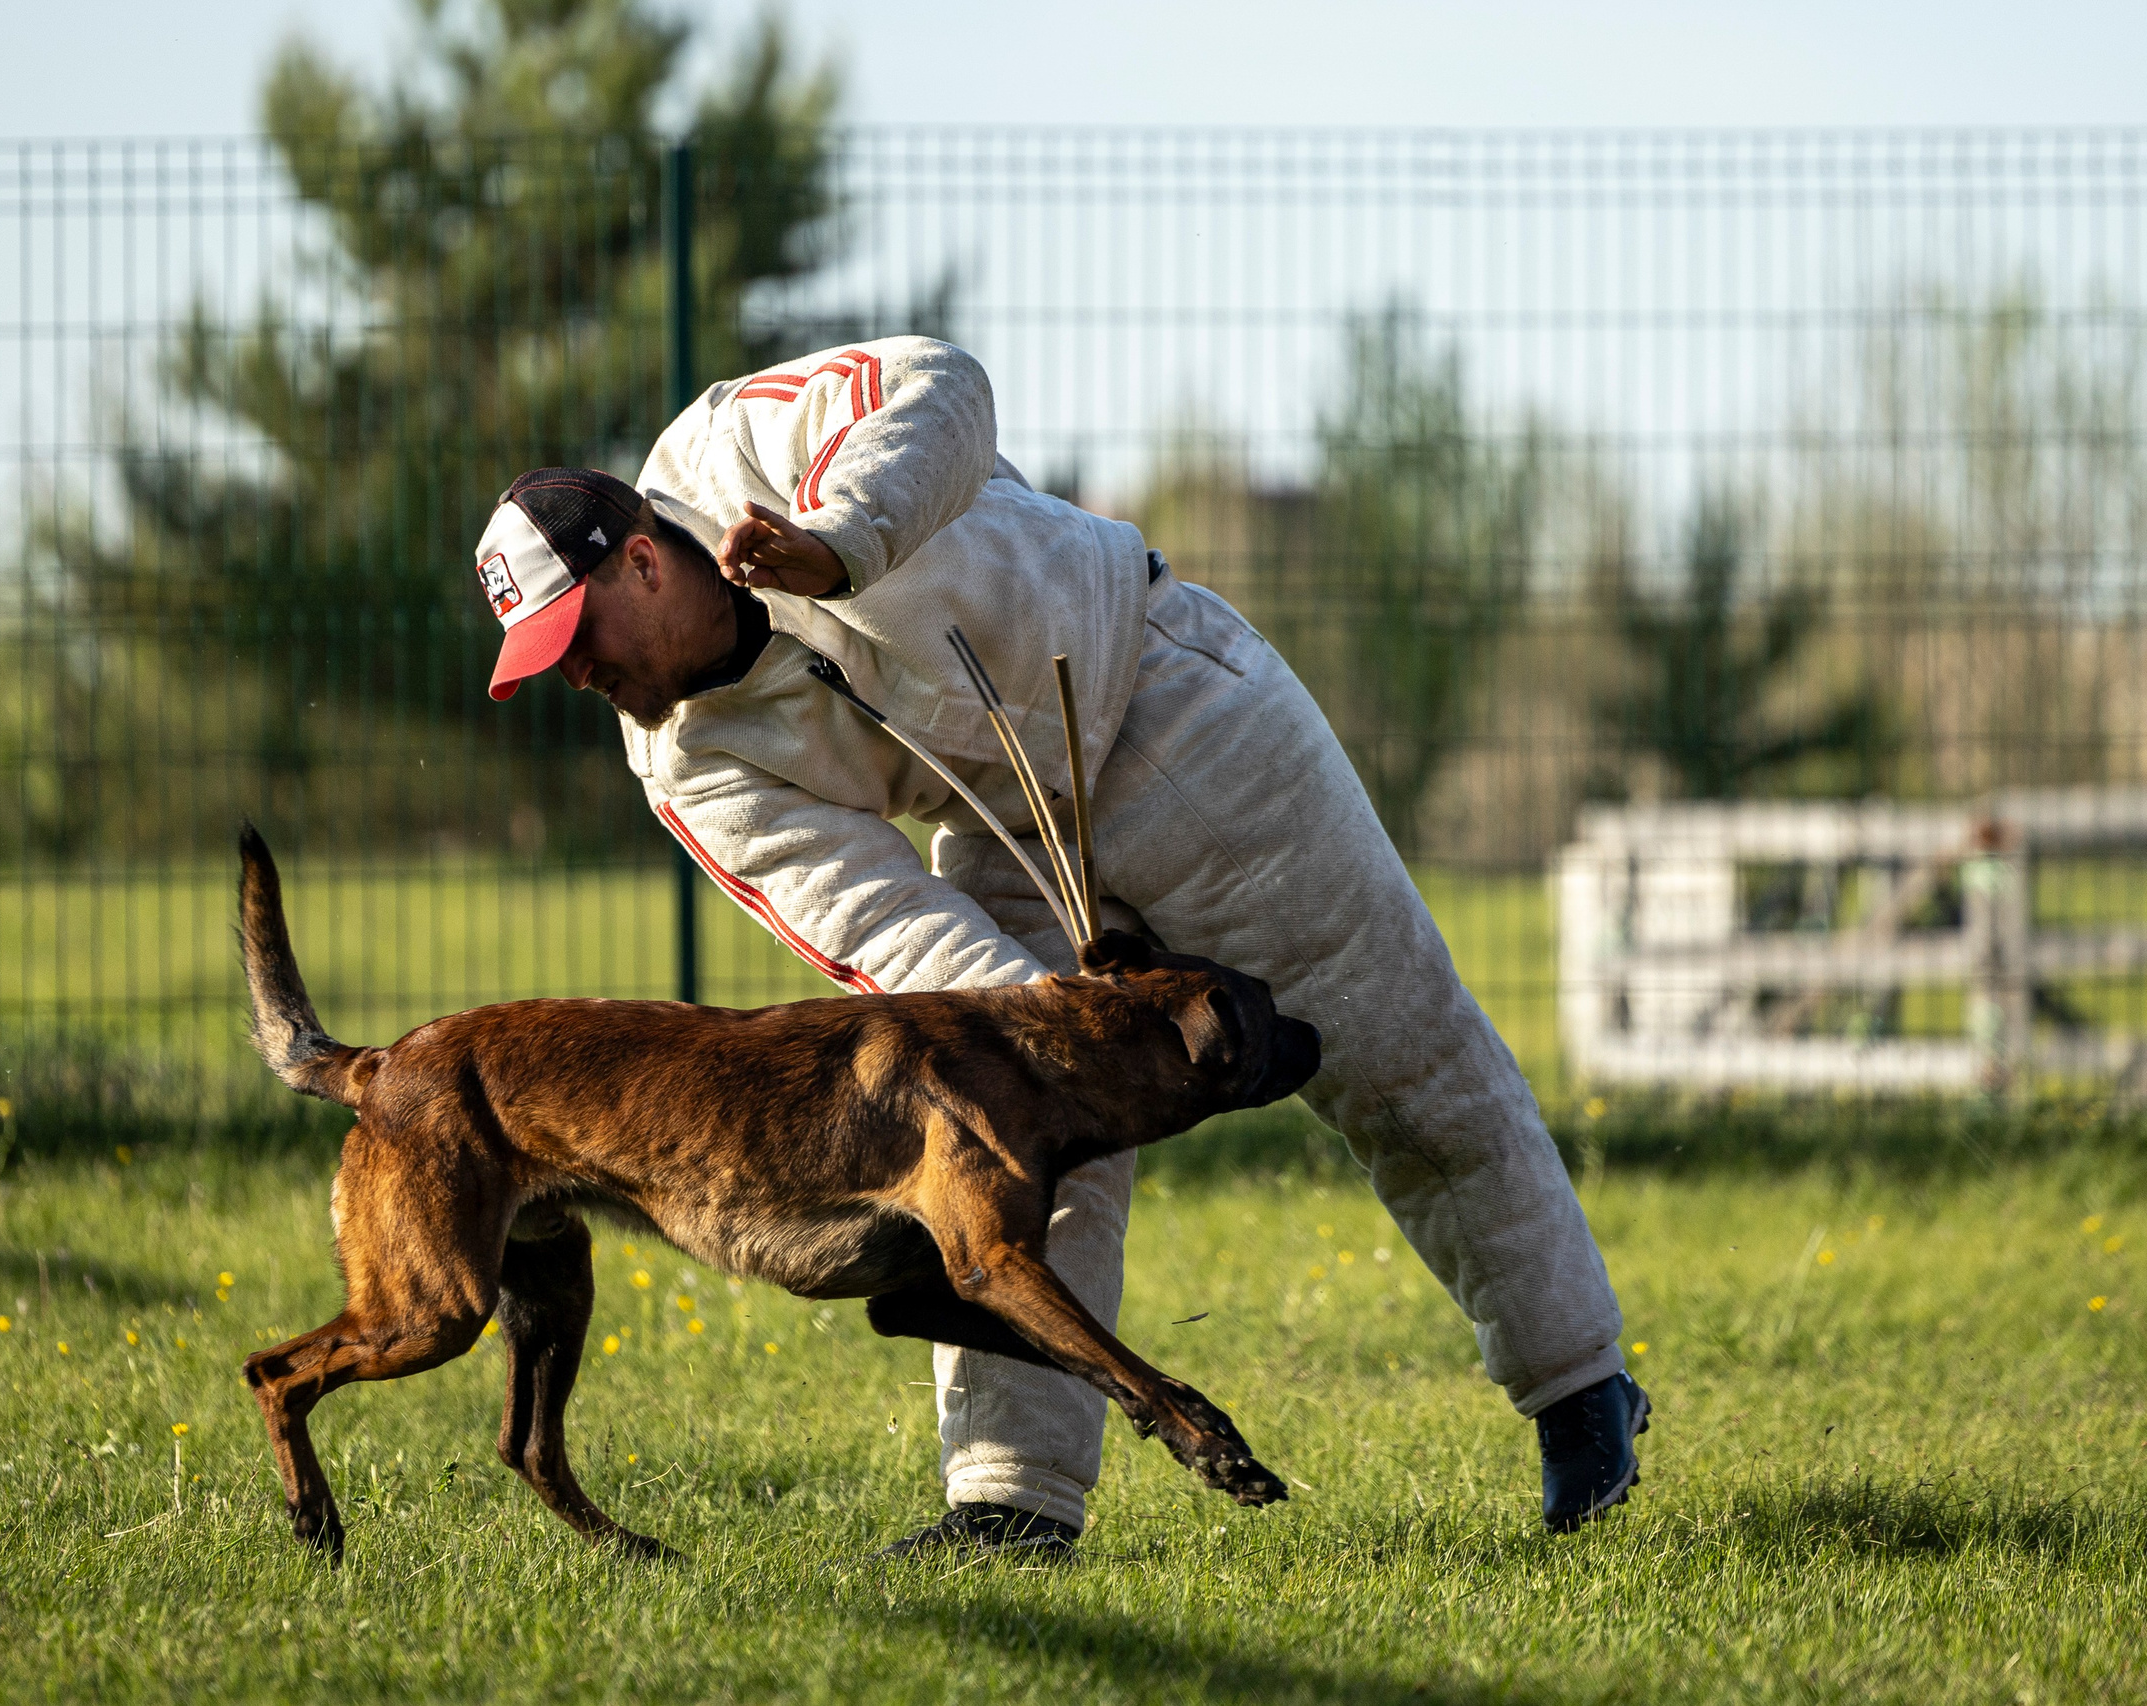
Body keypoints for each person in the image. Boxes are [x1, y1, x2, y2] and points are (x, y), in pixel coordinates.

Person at [470, 336, 1648, 1557]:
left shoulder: (731, 448)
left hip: (1172, 703)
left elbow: (944, 390)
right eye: (544, 661)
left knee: (1396, 1049)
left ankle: (1577, 1387)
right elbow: (871, 919)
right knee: (1000, 1130)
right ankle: (1010, 1502)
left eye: (577, 638)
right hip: (996, 830)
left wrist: (839, 544)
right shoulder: (680, 760)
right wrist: (1055, 1038)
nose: (575, 675)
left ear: (647, 562)